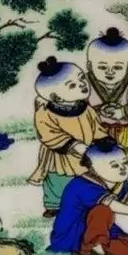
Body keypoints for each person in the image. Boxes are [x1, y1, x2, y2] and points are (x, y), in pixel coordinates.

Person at [48, 137, 128, 255]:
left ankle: (86, 249)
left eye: (125, 163)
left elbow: (122, 203)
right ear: (94, 168)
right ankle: (94, 248)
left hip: (98, 228)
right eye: (114, 165)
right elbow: (110, 204)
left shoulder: (119, 183)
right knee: (102, 210)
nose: (122, 168)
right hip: (73, 233)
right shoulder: (82, 185)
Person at [28, 57, 109, 218]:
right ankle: (54, 205)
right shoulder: (46, 113)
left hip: (84, 152)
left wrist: (103, 140)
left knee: (84, 178)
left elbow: (96, 127)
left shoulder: (86, 109)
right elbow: (48, 133)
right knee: (57, 180)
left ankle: (83, 202)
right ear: (56, 97)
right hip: (59, 154)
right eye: (72, 85)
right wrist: (73, 145)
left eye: (81, 78)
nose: (82, 84)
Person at [85, 27, 128, 160]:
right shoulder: (84, 83)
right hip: (93, 131)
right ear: (89, 66)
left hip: (121, 131)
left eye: (117, 67)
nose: (110, 72)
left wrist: (123, 112)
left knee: (122, 159)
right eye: (102, 67)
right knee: (93, 159)